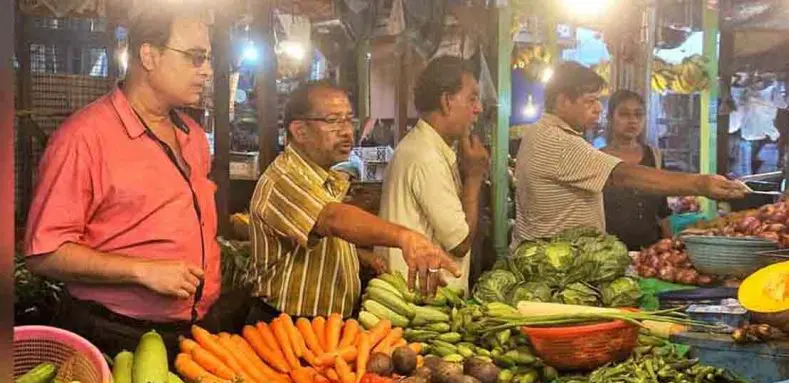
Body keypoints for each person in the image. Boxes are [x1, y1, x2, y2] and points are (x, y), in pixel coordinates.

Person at [24, 5, 222, 360]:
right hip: (113, 333)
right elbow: (45, 253)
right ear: (149, 54)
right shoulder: (84, 138)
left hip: (191, 332)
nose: (207, 70)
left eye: (207, 59)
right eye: (196, 58)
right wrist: (141, 271)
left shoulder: (192, 134)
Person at [247, 81, 459, 322]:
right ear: (300, 130)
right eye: (333, 121)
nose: (347, 131)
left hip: (329, 326)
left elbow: (312, 240)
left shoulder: (324, 175)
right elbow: (332, 219)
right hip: (286, 326)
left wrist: (358, 255)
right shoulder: (284, 179)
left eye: (349, 120)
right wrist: (405, 237)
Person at [513, 61, 748, 247]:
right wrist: (701, 184)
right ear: (563, 101)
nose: (597, 108)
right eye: (590, 101)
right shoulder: (557, 140)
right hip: (552, 267)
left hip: (556, 260)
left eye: (598, 101)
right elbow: (622, 175)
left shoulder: (542, 133)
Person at [378, 56, 488, 292]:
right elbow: (460, 243)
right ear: (447, 101)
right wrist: (474, 178)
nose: (478, 108)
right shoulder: (426, 156)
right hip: (422, 303)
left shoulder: (429, 147)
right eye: (472, 99)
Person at [602, 90, 673, 251]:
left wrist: (670, 244)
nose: (632, 121)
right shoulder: (598, 158)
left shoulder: (655, 156)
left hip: (651, 250)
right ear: (610, 118)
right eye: (624, 114)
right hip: (609, 251)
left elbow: (662, 208)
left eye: (638, 115)